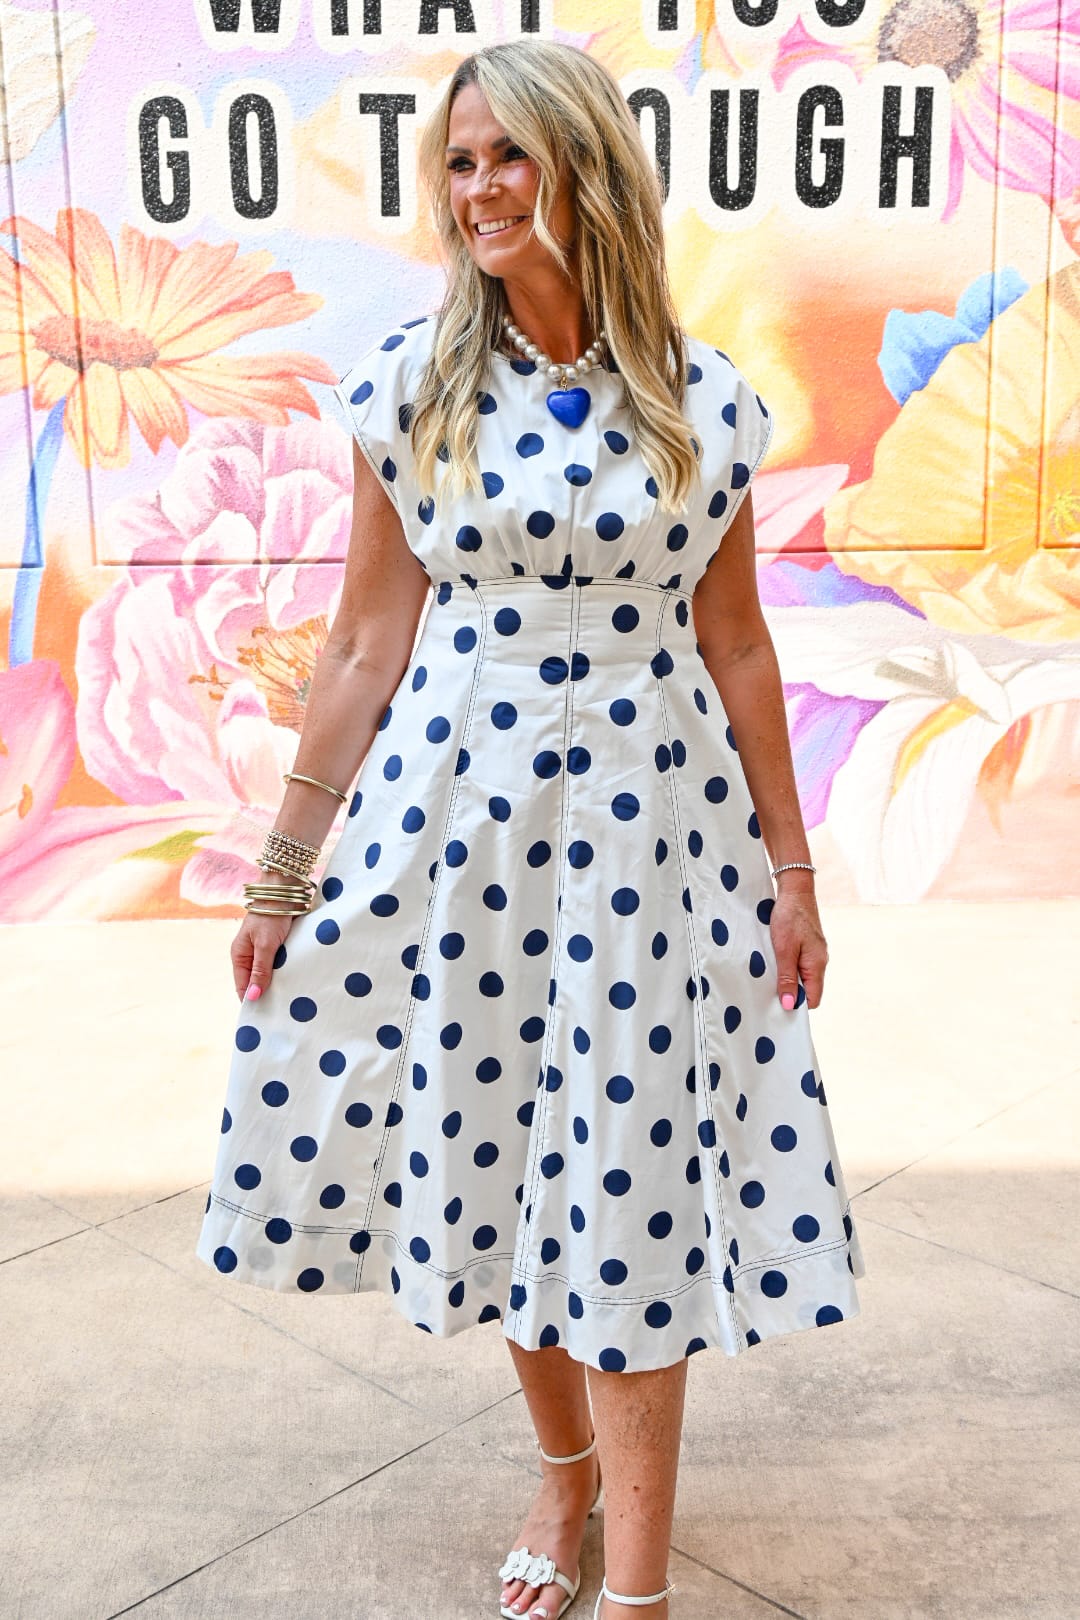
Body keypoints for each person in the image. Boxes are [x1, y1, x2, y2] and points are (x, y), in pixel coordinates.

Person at [195, 38, 866, 1620]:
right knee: (496, 1163)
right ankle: (561, 1482)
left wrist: (793, 865)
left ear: (584, 168)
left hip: (657, 835)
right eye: (459, 161)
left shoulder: (704, 401)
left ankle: (635, 1587)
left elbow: (742, 644)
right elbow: (365, 645)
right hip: (457, 829)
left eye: (508, 155)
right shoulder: (412, 388)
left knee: (626, 1175)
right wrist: (285, 870)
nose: (480, 188)